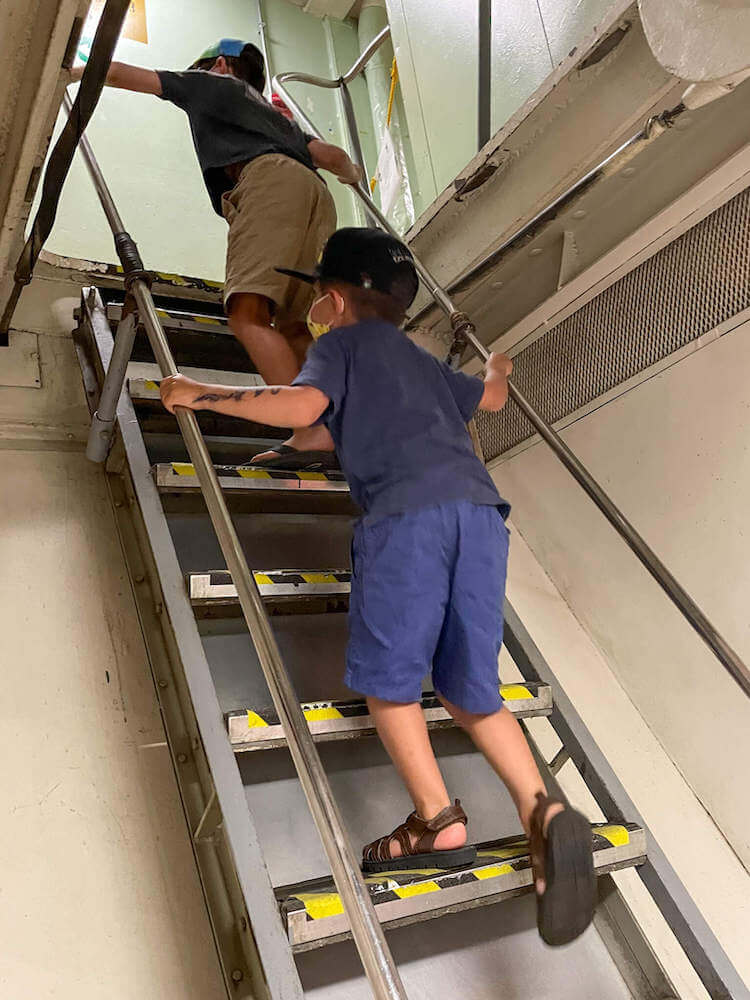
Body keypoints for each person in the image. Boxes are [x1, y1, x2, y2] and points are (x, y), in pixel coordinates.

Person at [159, 227, 596, 946]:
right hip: (481, 518)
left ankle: (438, 818)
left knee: (390, 686)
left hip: (407, 520)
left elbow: (304, 409)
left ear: (332, 300)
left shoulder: (337, 348)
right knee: (469, 688)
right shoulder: (420, 362)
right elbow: (483, 401)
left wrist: (200, 394)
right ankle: (541, 808)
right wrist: (502, 372)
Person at [72, 39, 362, 468]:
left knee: (247, 313)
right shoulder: (279, 120)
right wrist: (355, 175)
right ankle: (336, 428)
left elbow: (121, 74)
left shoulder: (212, 85)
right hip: (317, 197)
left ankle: (310, 430)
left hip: (269, 184)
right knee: (295, 325)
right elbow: (334, 158)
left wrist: (74, 71)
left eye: (200, 66)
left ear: (221, 64)